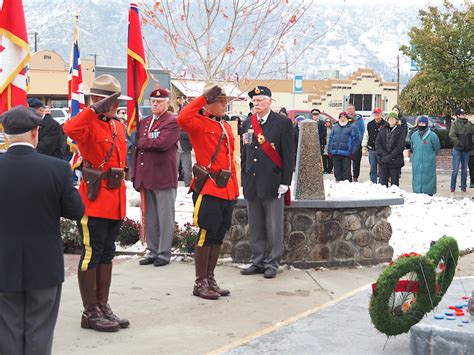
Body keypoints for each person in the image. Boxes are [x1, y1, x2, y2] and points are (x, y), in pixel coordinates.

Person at [0, 106, 84, 355]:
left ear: (6, 135)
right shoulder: (56, 169)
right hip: (44, 263)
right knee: (41, 330)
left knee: (6, 330)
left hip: (3, 261)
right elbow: (76, 211)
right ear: (36, 132)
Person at [63, 74, 130, 332]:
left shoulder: (118, 125)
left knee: (107, 253)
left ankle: (102, 306)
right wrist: (92, 110)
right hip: (94, 199)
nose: (116, 106)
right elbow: (68, 130)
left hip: (114, 199)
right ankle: (89, 312)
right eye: (112, 101)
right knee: (91, 254)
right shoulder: (88, 123)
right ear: (99, 101)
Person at [177, 82, 239, 299]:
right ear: (209, 104)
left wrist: (235, 188)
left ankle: (210, 278)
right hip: (210, 187)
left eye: (225, 101)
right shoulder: (199, 123)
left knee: (218, 233)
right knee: (205, 233)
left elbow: (230, 159)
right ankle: (200, 282)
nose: (224, 105)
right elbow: (182, 118)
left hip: (227, 188)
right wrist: (203, 98)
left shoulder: (225, 125)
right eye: (220, 101)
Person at [240, 86, 295, 279]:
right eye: (254, 101)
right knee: (256, 225)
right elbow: (244, 154)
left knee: (273, 226)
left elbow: (288, 154)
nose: (256, 104)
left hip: (273, 181)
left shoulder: (282, 123)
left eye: (260, 100)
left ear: (270, 101)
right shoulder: (247, 122)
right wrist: (243, 180)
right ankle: (257, 260)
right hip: (252, 182)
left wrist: (285, 181)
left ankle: (272, 262)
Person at [133, 89, 180, 267]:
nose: (155, 104)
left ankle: (164, 252)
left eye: (159, 102)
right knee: (151, 217)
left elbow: (162, 143)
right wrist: (136, 174)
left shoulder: (171, 122)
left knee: (165, 216)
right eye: (153, 101)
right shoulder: (144, 122)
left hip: (163, 176)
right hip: (147, 177)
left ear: (167, 103)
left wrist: (143, 142)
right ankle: (152, 250)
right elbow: (137, 149)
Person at [410, 116, 441, 195]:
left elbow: (437, 148)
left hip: (428, 162)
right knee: (417, 176)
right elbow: (412, 147)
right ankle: (417, 191)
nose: (421, 125)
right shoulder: (414, 136)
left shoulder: (432, 136)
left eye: (423, 123)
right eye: (420, 123)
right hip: (417, 162)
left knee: (429, 177)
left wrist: (430, 157)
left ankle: (428, 192)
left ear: (426, 124)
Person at [375, 111, 406, 187]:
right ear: (387, 120)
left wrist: (391, 156)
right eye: (390, 118)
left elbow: (400, 146)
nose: (391, 120)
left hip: (395, 161)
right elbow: (377, 143)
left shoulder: (401, 130)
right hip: (383, 160)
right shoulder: (383, 129)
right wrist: (383, 154)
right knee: (383, 184)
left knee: (394, 184)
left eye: (393, 118)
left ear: (396, 120)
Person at [328, 112, 360, 182]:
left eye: (344, 117)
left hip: (346, 153)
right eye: (341, 117)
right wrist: (329, 151)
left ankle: (347, 184)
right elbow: (331, 139)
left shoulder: (352, 127)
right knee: (337, 171)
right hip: (336, 152)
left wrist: (353, 152)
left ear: (347, 118)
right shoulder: (335, 127)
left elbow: (356, 141)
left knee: (346, 172)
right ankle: (338, 183)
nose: (342, 119)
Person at [449, 108, 474, 193]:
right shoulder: (455, 123)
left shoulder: (469, 124)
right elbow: (451, 135)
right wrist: (458, 143)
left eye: (464, 113)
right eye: (462, 114)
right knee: (455, 170)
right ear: (458, 115)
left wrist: (470, 143)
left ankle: (464, 188)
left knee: (464, 170)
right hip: (457, 150)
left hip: (466, 150)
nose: (464, 115)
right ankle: (452, 188)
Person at [362, 108, 387, 183]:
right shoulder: (370, 124)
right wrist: (364, 146)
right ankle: (373, 182)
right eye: (375, 113)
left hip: (382, 150)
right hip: (371, 149)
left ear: (381, 114)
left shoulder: (385, 124)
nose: (376, 115)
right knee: (373, 167)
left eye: (378, 113)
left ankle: (381, 183)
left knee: (381, 167)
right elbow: (366, 135)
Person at [346, 104, 364, 182]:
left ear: (354, 109)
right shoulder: (345, 118)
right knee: (347, 161)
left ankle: (355, 176)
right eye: (348, 109)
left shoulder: (359, 119)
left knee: (356, 162)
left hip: (357, 143)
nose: (349, 110)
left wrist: (361, 143)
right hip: (347, 143)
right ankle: (348, 176)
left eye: (351, 109)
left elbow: (362, 130)